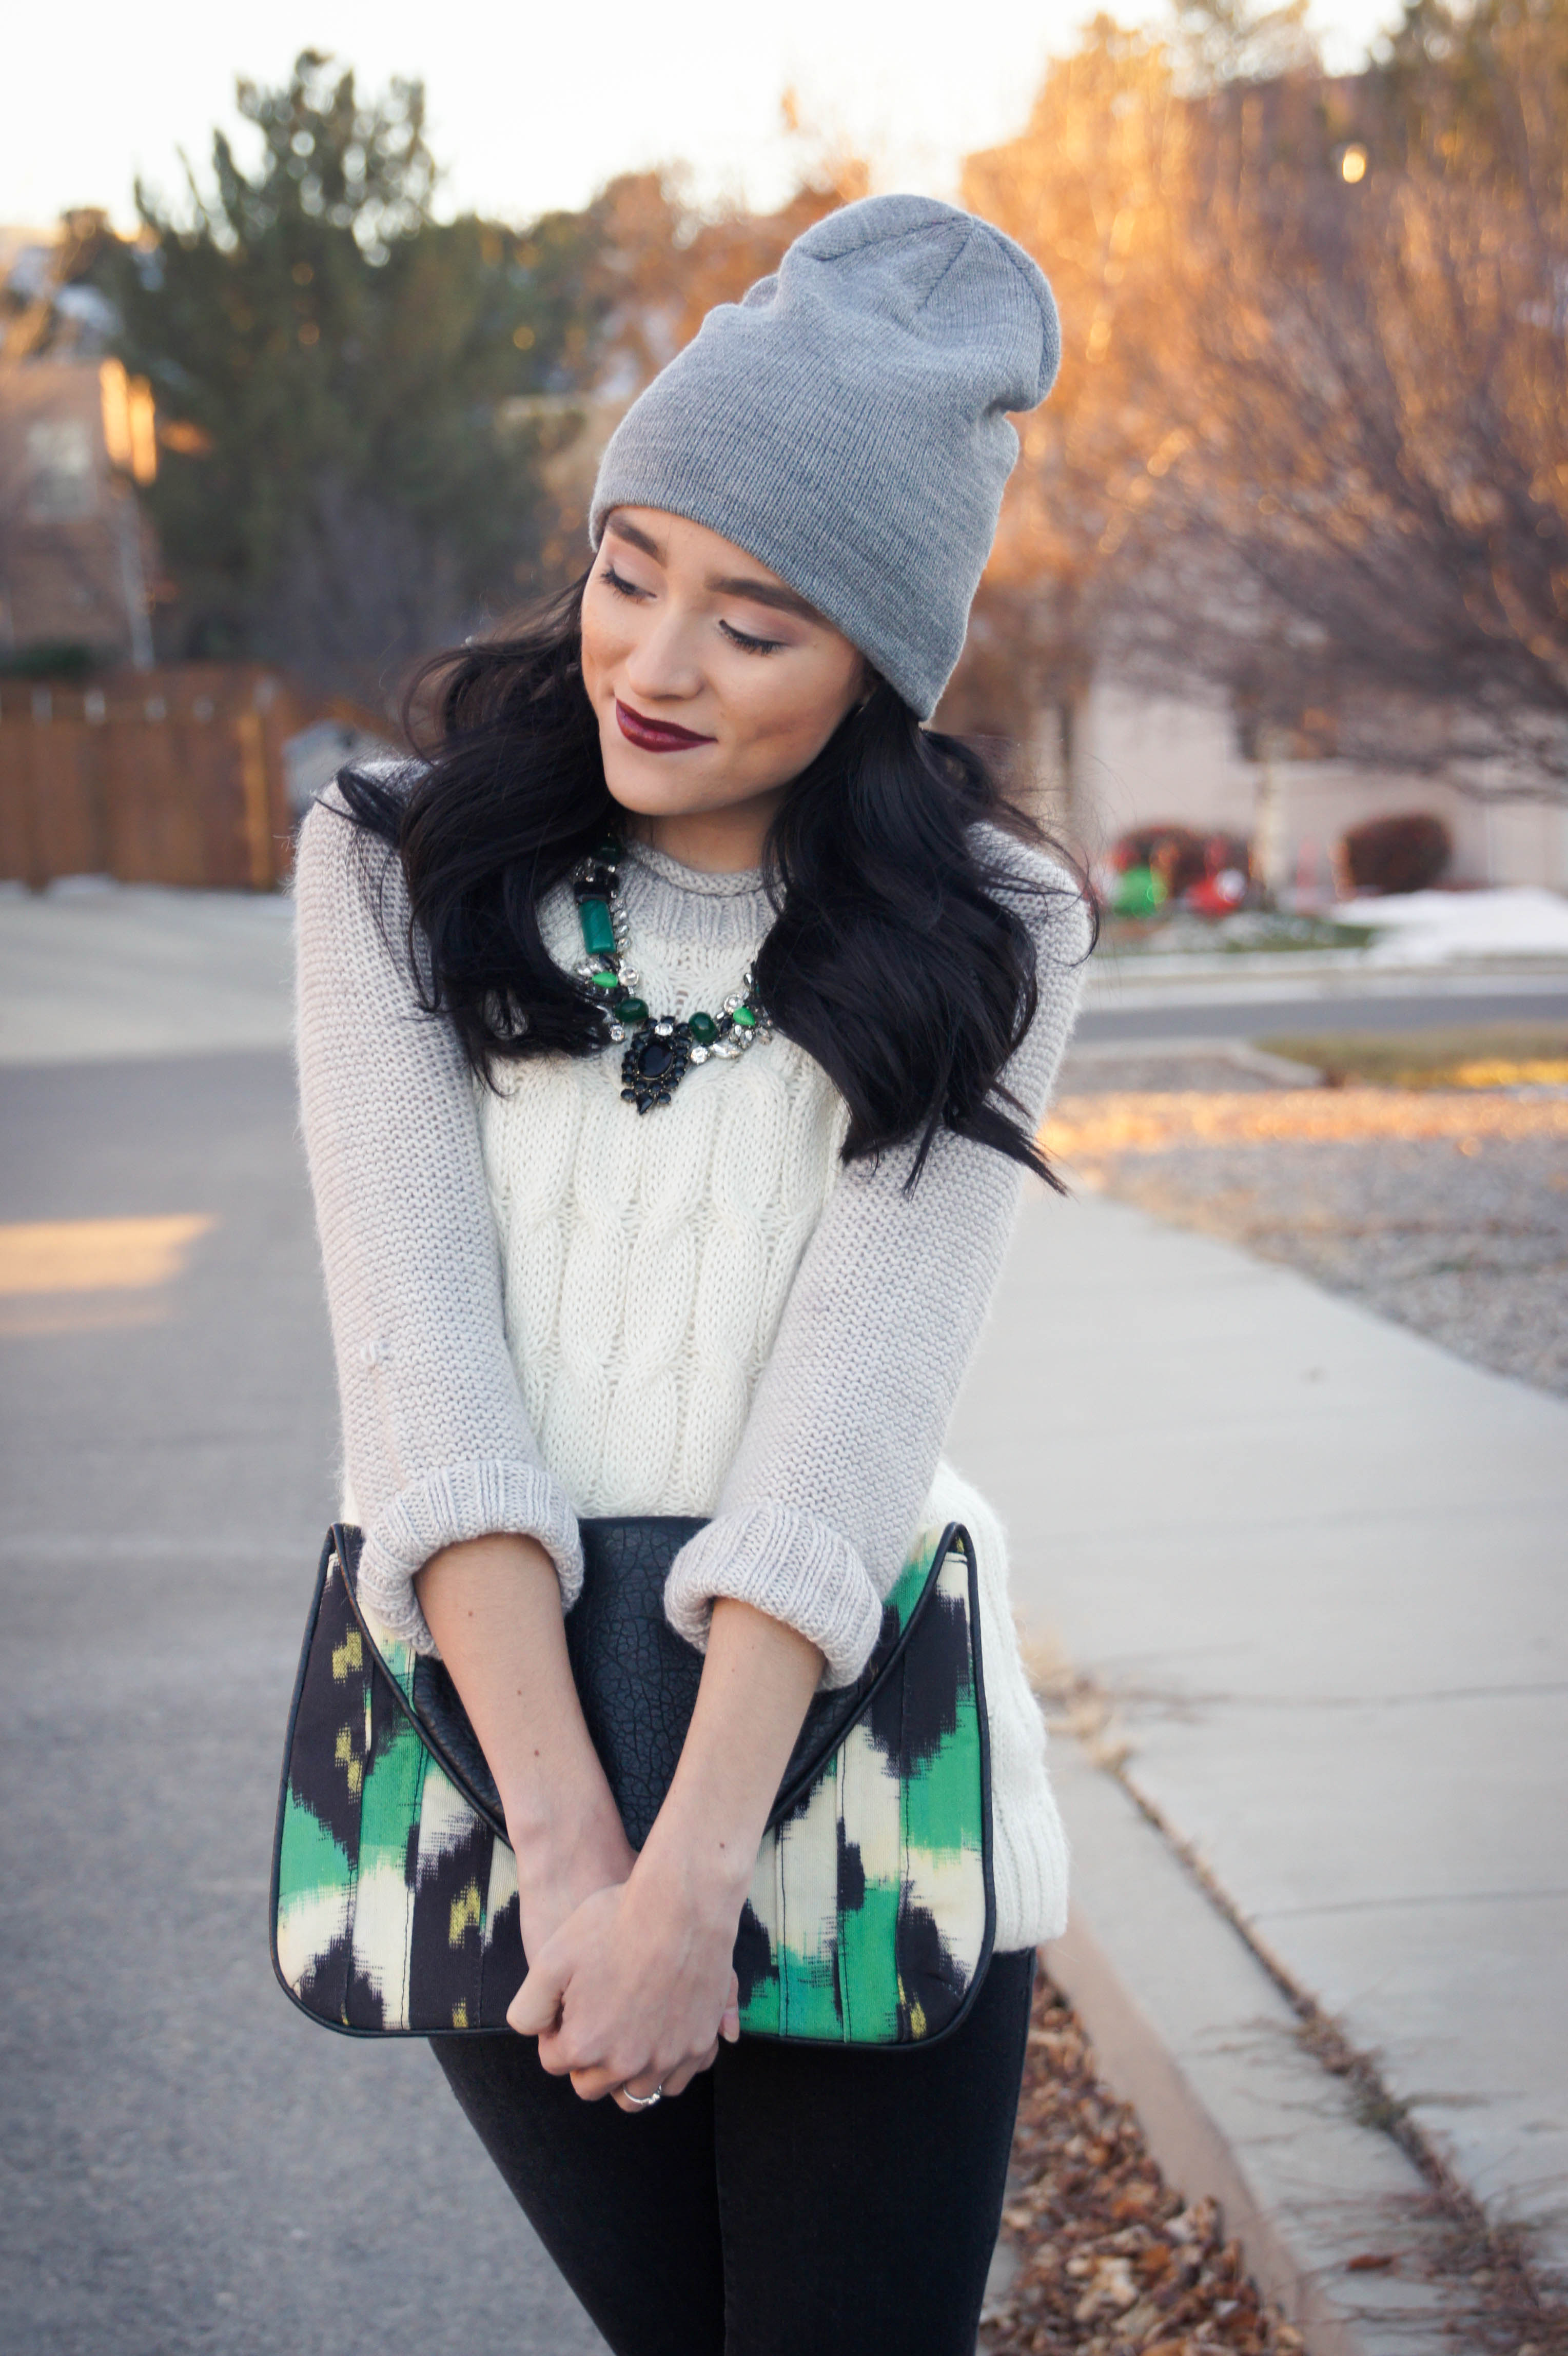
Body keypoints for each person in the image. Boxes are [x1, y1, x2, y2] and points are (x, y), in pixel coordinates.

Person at [293, 192, 1092, 2356]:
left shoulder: (993, 928)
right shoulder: (399, 864)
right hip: (487, 1752)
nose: (651, 664)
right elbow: (421, 1366)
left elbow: (856, 1404)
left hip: (853, 1757)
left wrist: (697, 1871)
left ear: (877, 666)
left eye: (751, 624)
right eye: (627, 571)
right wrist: (574, 1856)